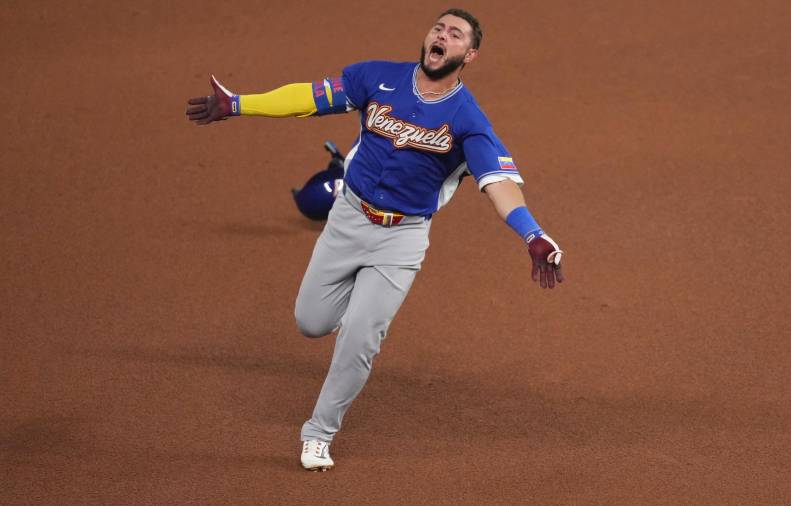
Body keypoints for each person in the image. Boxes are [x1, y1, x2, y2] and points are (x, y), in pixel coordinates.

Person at [185, 8, 564, 472]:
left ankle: (319, 432)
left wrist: (533, 234)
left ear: (470, 55)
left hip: (401, 239)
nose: (442, 36)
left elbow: (498, 184)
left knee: (360, 337)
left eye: (456, 34)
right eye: (438, 28)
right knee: (311, 321)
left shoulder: (468, 121)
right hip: (347, 219)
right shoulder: (376, 78)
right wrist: (240, 103)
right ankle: (340, 210)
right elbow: (309, 97)